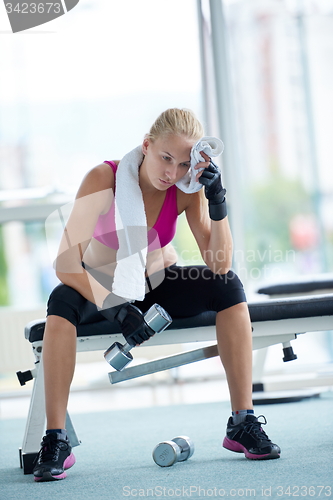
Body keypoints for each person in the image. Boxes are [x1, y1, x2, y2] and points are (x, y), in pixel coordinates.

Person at [33, 108, 280, 482]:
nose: (172, 173)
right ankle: (55, 438)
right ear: (147, 145)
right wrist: (116, 309)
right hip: (100, 285)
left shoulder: (185, 191)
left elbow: (219, 264)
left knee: (228, 286)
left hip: (154, 283)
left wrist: (217, 202)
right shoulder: (105, 178)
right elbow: (67, 265)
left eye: (183, 164)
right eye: (166, 158)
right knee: (61, 299)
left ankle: (242, 422)